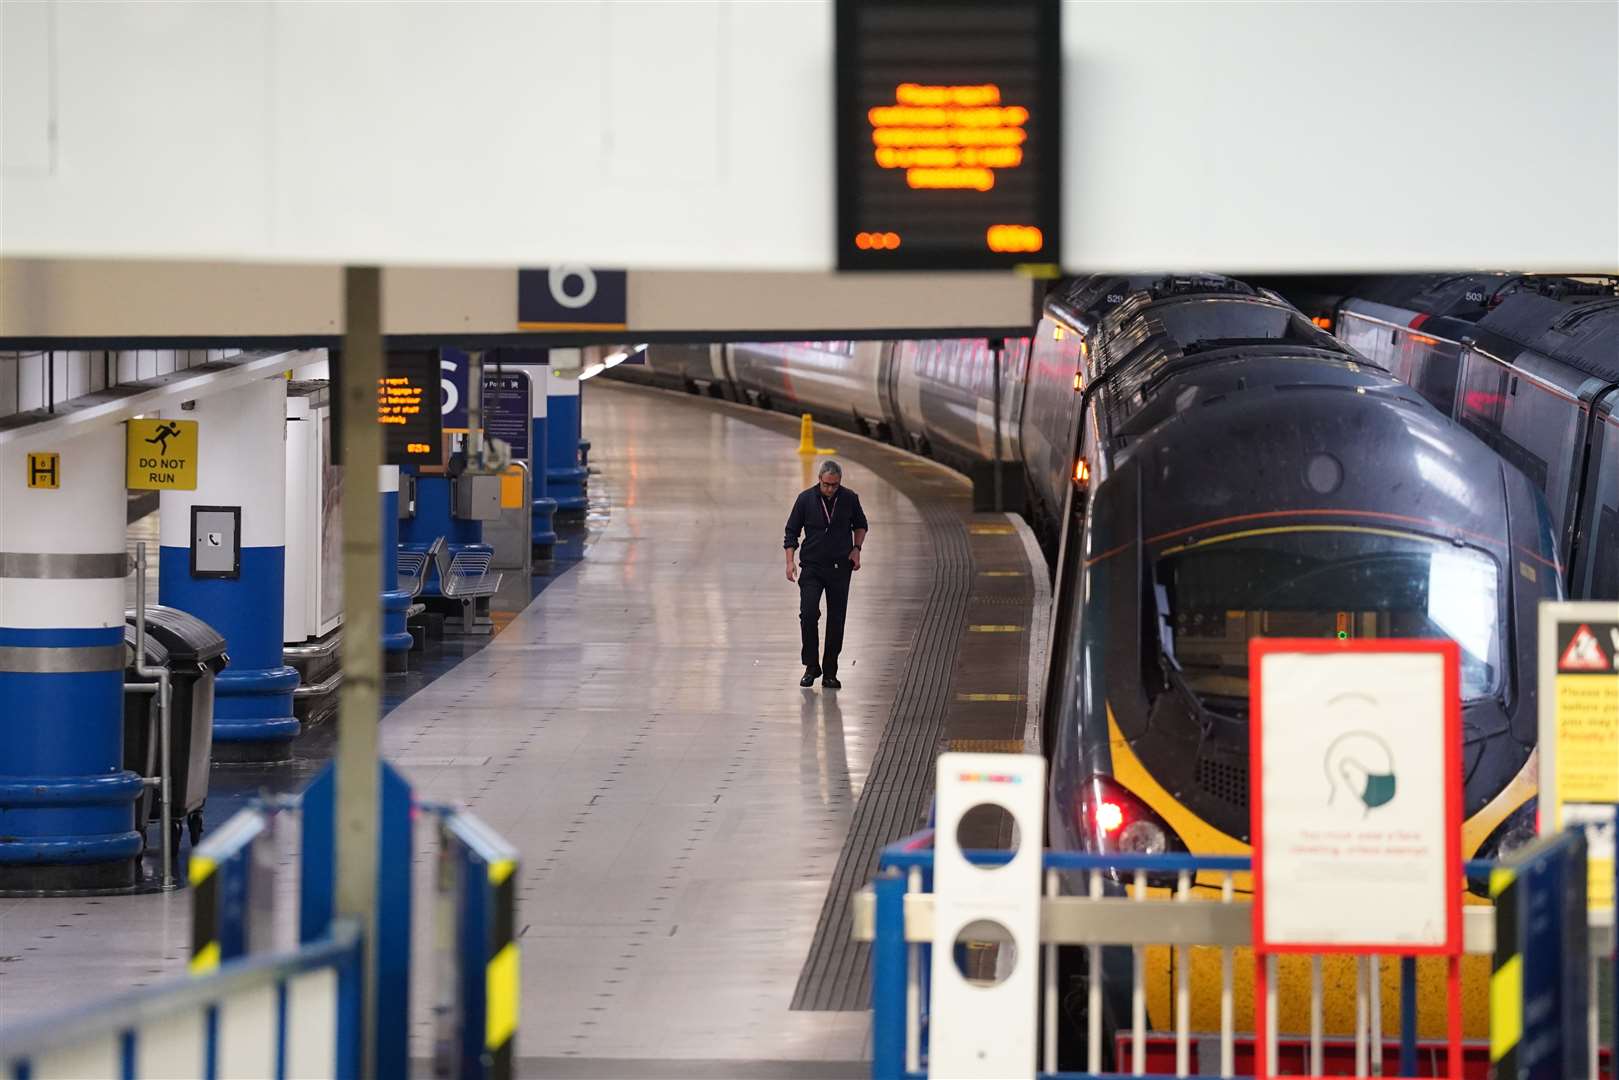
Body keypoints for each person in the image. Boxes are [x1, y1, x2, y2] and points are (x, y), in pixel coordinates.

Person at [784, 459, 868, 688]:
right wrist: (790, 561)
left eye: (835, 485)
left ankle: (830, 671)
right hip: (812, 567)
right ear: (819, 480)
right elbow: (791, 531)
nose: (830, 489)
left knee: (836, 619)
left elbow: (861, 525)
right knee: (808, 614)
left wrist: (856, 549)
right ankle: (811, 666)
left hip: (840, 568)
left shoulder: (849, 498)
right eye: (826, 484)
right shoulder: (805, 499)